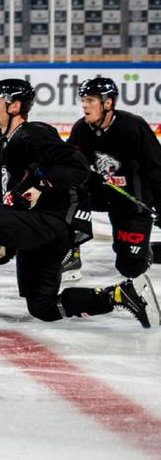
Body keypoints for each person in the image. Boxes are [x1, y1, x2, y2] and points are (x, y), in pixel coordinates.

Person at [0, 79, 152, 329]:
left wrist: (38, 184)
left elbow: (76, 166)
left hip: (51, 223)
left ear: (14, 107)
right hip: (36, 228)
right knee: (43, 307)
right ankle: (119, 295)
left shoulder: (33, 133)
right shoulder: (1, 146)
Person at [66, 76, 160, 308]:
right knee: (63, 196)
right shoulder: (81, 128)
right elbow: (69, 164)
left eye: (90, 100)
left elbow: (156, 168)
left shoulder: (132, 126)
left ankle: (147, 249)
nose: (84, 105)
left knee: (129, 267)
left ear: (108, 104)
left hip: (132, 201)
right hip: (101, 194)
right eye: (83, 100)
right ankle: (70, 252)